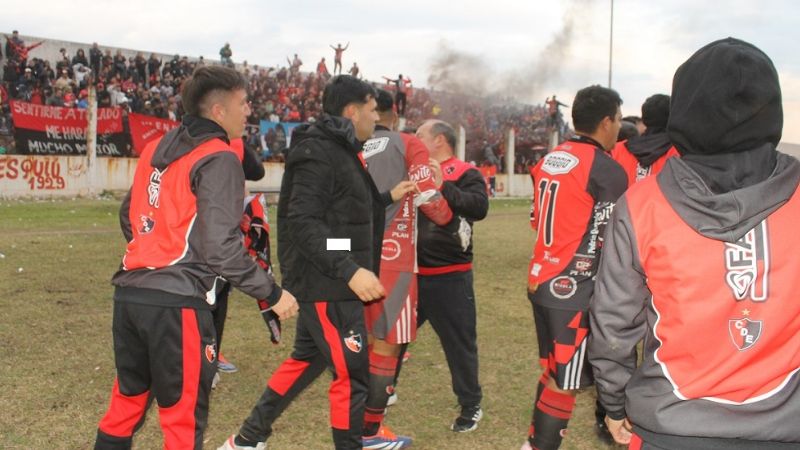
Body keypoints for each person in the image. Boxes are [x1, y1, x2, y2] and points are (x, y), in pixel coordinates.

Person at [589, 37, 800, 450]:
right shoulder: (642, 206)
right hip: (782, 425)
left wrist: (613, 402)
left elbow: (613, 323)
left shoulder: (642, 205)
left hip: (672, 424)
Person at [93, 65, 298, 449]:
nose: (249, 110)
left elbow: (130, 214)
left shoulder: (157, 148)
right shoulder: (219, 157)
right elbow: (222, 248)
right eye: (243, 103)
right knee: (181, 421)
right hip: (177, 305)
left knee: (126, 406)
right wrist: (271, 292)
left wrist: (154, 250)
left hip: (131, 296)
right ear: (218, 111)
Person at [218, 75, 416, 450]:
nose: (378, 119)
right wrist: (350, 268)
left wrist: (387, 196)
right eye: (374, 111)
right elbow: (304, 224)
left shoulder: (344, 148)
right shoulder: (318, 151)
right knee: (351, 373)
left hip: (332, 278)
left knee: (307, 360)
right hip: (326, 283)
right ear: (352, 111)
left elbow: (337, 222)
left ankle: (247, 439)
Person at [522, 85, 627, 450]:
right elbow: (612, 238)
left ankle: (532, 444)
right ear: (605, 121)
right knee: (564, 382)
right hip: (573, 289)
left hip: (541, 279)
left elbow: (537, 220)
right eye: (617, 119)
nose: (618, 128)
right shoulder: (607, 169)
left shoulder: (550, 157)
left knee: (553, 373)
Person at [360, 90, 453, 449]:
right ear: (394, 114)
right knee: (387, 347)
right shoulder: (406, 142)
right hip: (393, 258)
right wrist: (445, 213)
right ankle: (369, 433)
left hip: (353, 258)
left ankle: (358, 422)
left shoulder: (355, 144)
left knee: (367, 341)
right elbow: (428, 195)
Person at [414, 119, 489, 432]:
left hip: (451, 278)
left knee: (460, 346)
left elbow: (479, 208)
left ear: (440, 140)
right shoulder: (412, 171)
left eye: (420, 136)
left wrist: (443, 184)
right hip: (412, 276)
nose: (414, 141)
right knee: (392, 337)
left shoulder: (466, 172)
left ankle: (471, 405)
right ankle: (381, 394)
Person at [611, 94, 680, 187]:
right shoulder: (678, 151)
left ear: (644, 119)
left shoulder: (616, 149)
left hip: (623, 201)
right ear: (672, 117)